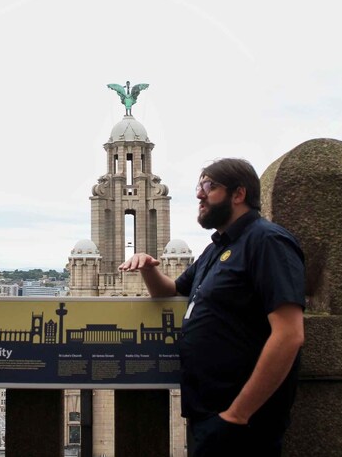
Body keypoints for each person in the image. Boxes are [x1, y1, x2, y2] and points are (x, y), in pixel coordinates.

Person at [120, 158, 305, 456]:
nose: (199, 194)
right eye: (200, 185)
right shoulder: (215, 249)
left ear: (238, 194)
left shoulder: (267, 241)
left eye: (210, 186)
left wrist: (237, 415)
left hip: (242, 420)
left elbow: (290, 335)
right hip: (209, 413)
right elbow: (172, 291)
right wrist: (148, 267)